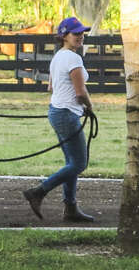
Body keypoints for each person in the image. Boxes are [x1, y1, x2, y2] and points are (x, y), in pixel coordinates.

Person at [23, 16, 95, 222]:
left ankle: (70, 208)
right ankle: (38, 191)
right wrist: (89, 107)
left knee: (71, 161)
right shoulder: (73, 59)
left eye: (82, 33)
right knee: (79, 164)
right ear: (64, 36)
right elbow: (81, 92)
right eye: (76, 33)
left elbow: (51, 86)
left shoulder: (58, 56)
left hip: (57, 111)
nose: (80, 36)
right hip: (67, 113)